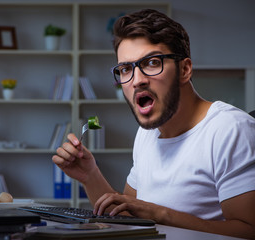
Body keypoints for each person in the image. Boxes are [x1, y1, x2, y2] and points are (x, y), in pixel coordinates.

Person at [52, 9, 255, 239]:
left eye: (151, 62)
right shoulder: (146, 134)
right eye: (126, 69)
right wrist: (90, 175)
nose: (137, 80)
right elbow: (128, 220)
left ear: (185, 70)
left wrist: (161, 214)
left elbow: (249, 231)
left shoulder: (230, 129)